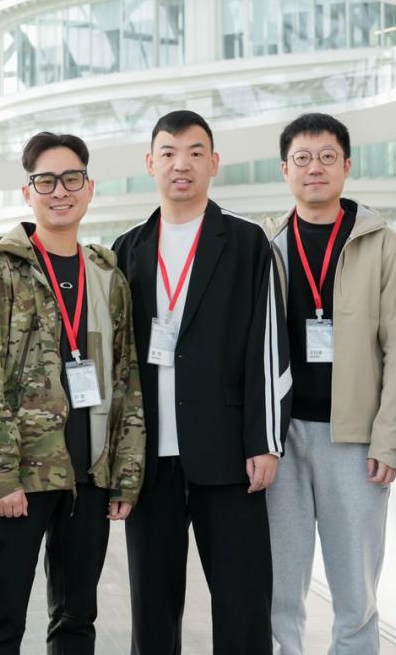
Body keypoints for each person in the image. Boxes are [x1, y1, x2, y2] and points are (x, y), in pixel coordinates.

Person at [113, 110, 291, 654]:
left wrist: (265, 440)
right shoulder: (126, 249)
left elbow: (268, 344)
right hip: (150, 459)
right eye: (168, 153)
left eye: (194, 152)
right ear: (150, 164)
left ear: (214, 163)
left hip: (229, 453)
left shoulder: (246, 242)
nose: (181, 164)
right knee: (152, 609)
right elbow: (115, 361)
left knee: (243, 604)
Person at [0, 131, 145, 654]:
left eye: (71, 179)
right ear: (28, 192)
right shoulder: (1, 267)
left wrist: (125, 475)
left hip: (89, 474)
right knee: (2, 620)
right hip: (22, 474)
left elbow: (126, 379)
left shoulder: (106, 274)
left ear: (89, 188)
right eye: (46, 181)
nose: (60, 191)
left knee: (77, 619)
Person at [261, 113, 396, 654]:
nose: (315, 168)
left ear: (346, 166)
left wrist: (388, 441)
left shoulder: (382, 244)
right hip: (280, 440)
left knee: (356, 593)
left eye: (327, 157)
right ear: (285, 169)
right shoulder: (266, 244)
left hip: (355, 441)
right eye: (302, 159)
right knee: (279, 588)